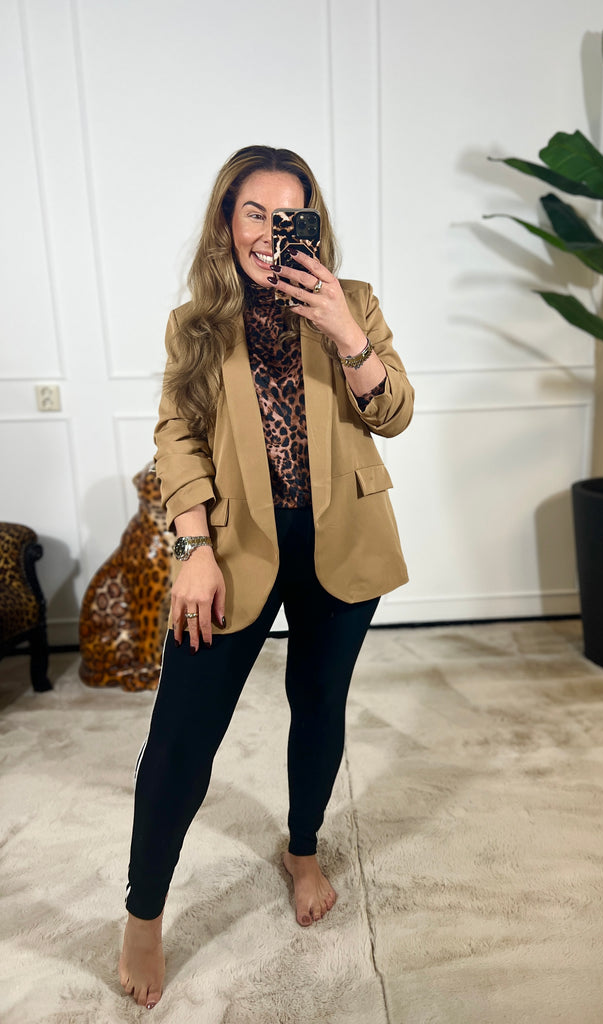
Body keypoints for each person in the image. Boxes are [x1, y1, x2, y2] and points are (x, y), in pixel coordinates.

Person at [118, 145, 413, 1010]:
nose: (270, 231)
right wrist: (192, 549)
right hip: (234, 543)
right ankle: (143, 911)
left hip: (342, 538)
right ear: (228, 219)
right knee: (181, 736)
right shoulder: (196, 323)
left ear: (310, 223)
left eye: (289, 214)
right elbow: (177, 435)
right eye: (255, 212)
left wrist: (347, 334)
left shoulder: (353, 302)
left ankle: (303, 849)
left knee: (318, 705)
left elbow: (395, 414)